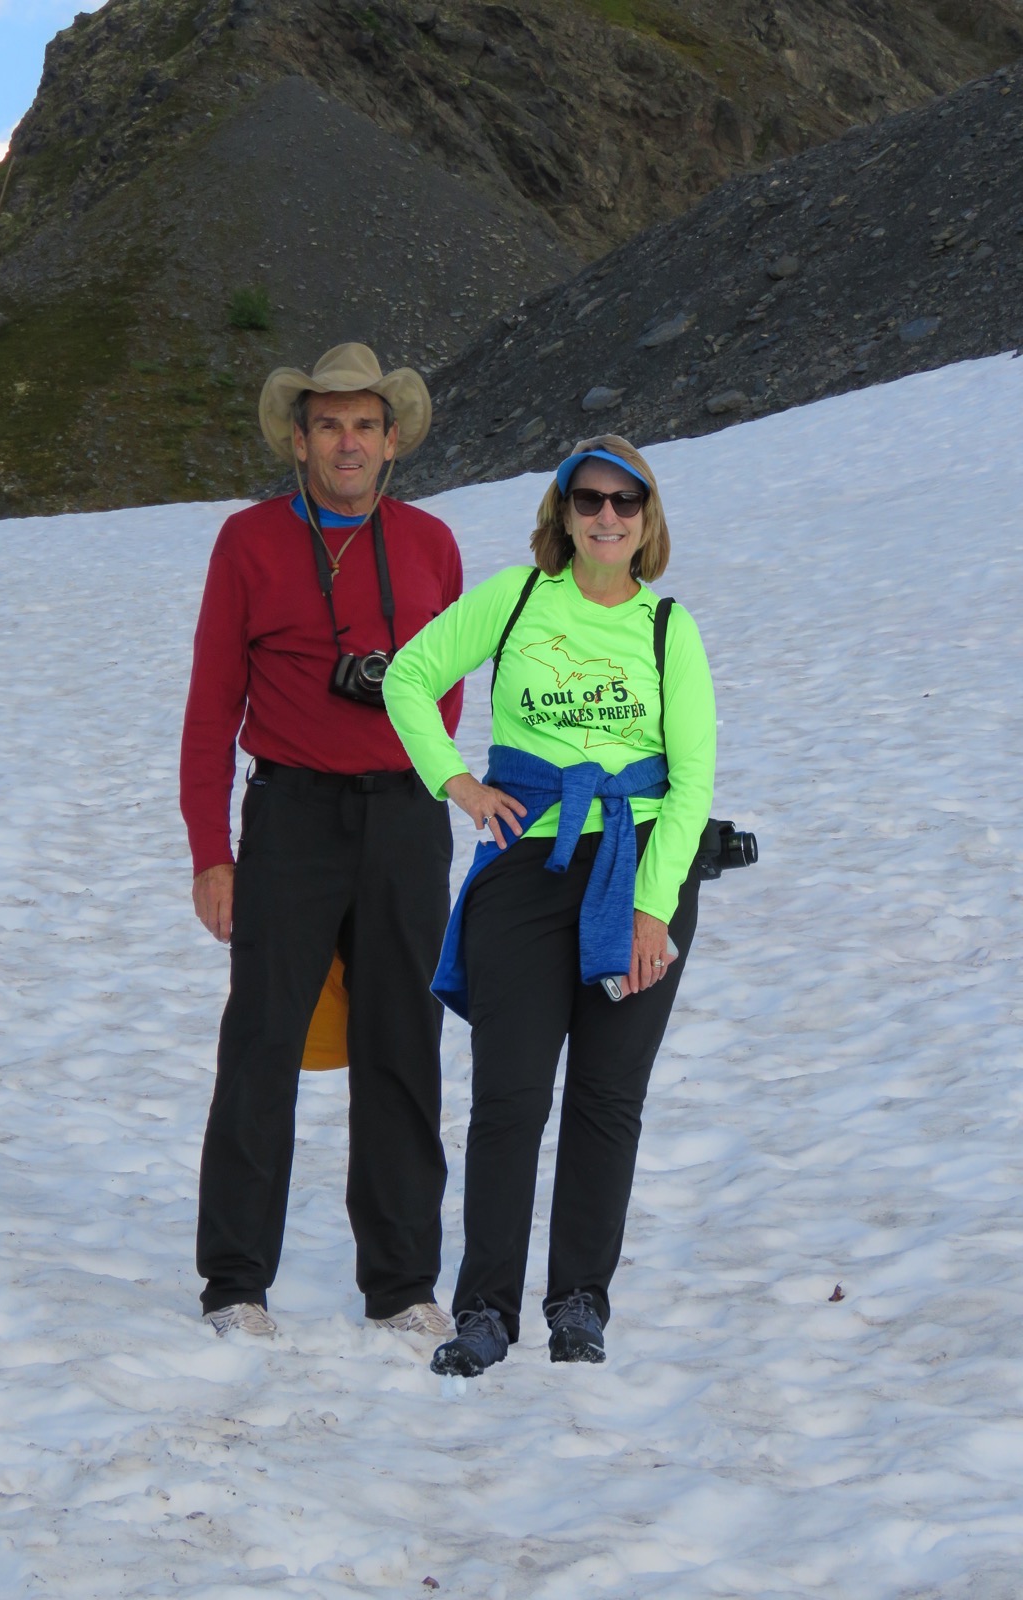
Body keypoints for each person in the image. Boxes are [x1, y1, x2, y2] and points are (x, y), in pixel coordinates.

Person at [382, 434, 715, 1375]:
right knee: (510, 1096)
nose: (606, 516)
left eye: (625, 501)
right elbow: (409, 675)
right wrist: (457, 782)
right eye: (588, 500)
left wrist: (653, 912)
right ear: (561, 514)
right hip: (529, 868)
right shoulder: (519, 598)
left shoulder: (667, 627)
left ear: (647, 518)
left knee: (608, 1098)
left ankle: (579, 1303)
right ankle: (484, 1311)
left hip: (640, 870)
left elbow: (692, 782)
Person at [181, 343, 463, 1339]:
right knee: (262, 1038)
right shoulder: (249, 541)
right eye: (329, 424)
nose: (348, 442)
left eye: (365, 425)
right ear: (299, 440)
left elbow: (449, 684)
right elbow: (213, 703)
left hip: (405, 818)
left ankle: (401, 1283)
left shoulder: (430, 543)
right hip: (292, 814)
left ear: (392, 443)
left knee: (403, 1044)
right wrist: (212, 849)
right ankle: (235, 1282)